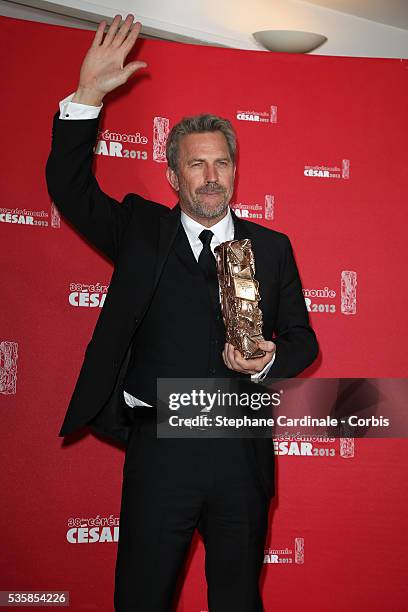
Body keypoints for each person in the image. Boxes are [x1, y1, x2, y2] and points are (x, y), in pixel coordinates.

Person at [46, 14, 318, 612]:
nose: (211, 176)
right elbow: (70, 190)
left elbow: (303, 340)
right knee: (141, 600)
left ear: (235, 172)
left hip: (240, 457)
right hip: (161, 456)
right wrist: (88, 95)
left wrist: (272, 356)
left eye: (221, 163)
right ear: (173, 175)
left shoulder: (270, 249)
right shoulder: (142, 231)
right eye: (196, 164)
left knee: (238, 602)